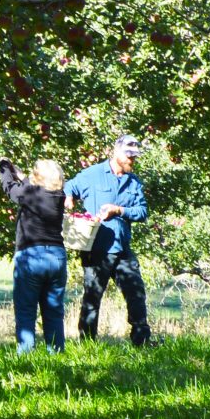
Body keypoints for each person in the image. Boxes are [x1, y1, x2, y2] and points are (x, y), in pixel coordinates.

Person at [66, 135, 152, 345]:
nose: (132, 160)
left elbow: (142, 211)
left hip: (122, 248)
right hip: (96, 249)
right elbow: (69, 187)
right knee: (93, 296)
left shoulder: (134, 182)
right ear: (116, 152)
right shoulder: (92, 174)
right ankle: (87, 344)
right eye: (128, 155)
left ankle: (141, 342)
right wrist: (68, 197)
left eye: (135, 156)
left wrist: (120, 210)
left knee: (136, 294)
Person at [0, 156, 69, 353]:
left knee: (26, 311)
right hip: (56, 256)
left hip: (32, 256)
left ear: (37, 177)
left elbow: (11, 190)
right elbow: (31, 186)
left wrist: (4, 166)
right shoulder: (60, 195)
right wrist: (20, 174)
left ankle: (27, 358)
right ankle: (56, 354)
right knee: (54, 312)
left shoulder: (31, 193)